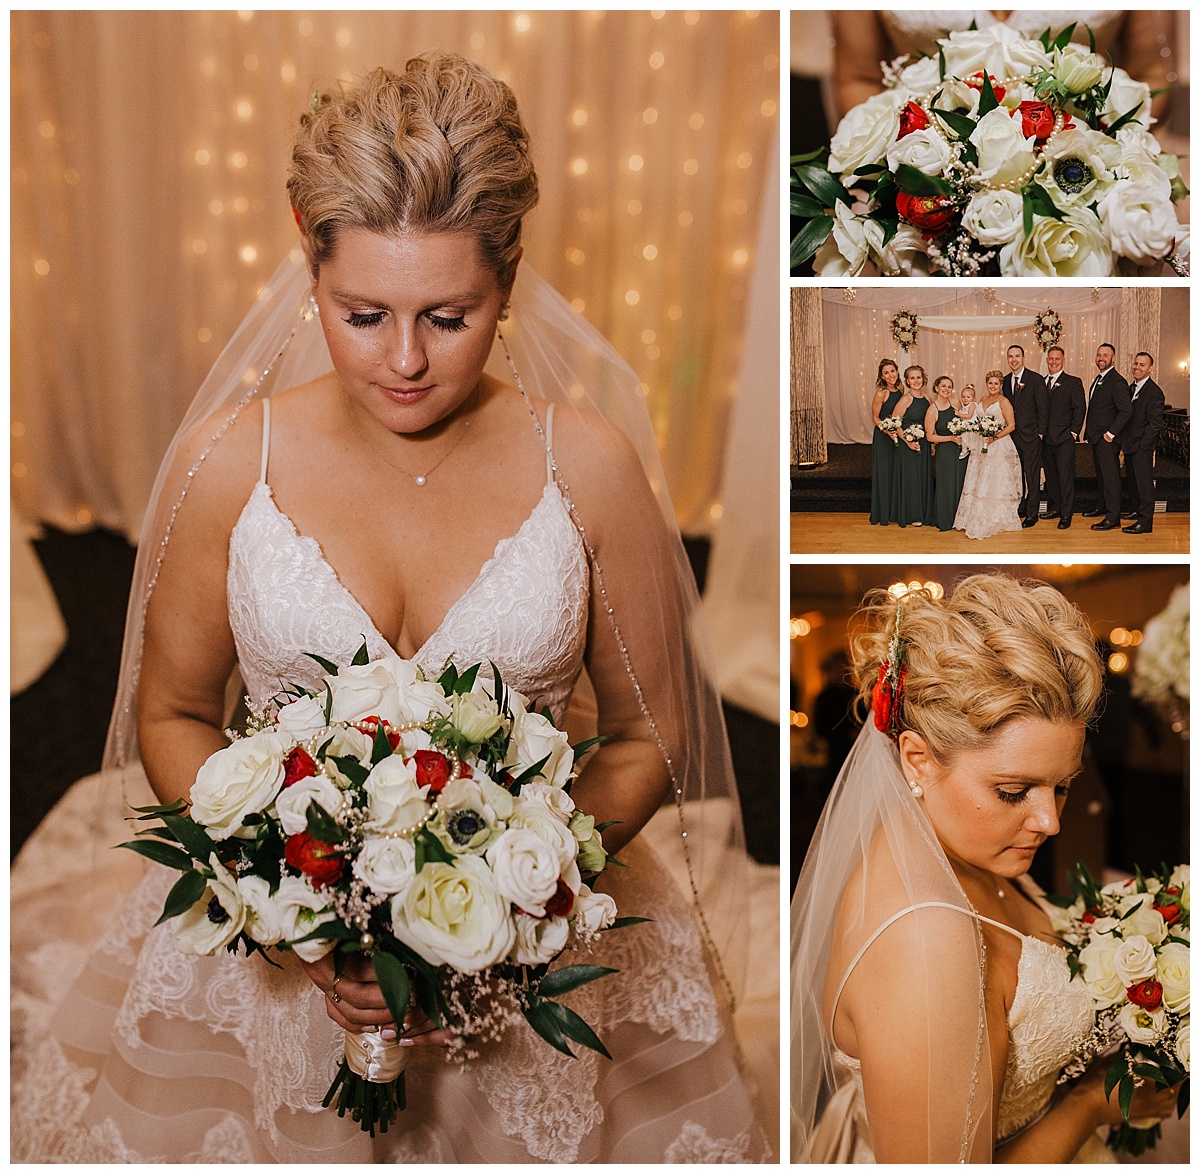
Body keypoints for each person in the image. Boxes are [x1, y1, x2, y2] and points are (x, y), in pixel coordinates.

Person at [10, 56, 767, 1163]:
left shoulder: (589, 466)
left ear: (508, 279)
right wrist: (293, 912)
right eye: (361, 313)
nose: (405, 361)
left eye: (450, 316)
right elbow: (172, 713)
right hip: (276, 945)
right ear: (302, 247)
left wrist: (514, 908)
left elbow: (654, 733)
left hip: (530, 960)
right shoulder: (231, 461)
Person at [790, 574, 1182, 1162]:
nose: (1048, 822)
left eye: (1062, 786)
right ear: (918, 759)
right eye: (1012, 791)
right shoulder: (924, 939)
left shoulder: (962, 849)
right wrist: (1090, 1105)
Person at [953, 371, 1022, 540]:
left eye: (996, 384)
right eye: (990, 383)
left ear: (1000, 385)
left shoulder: (1004, 402)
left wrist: (994, 437)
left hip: (998, 445)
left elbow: (1011, 425)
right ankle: (972, 516)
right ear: (986, 384)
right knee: (979, 479)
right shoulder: (983, 399)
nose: (993, 386)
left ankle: (994, 517)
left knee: (994, 481)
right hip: (981, 444)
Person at [1082, 343, 1132, 531]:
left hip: (1107, 439)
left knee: (1111, 478)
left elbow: (1126, 411)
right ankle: (1102, 506)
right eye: (1098, 354)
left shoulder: (1117, 381)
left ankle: (1113, 517)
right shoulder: (1100, 378)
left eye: (1105, 355)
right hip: (1096, 437)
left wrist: (1110, 434)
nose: (1101, 358)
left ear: (1113, 358)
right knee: (1102, 476)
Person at [1001, 344, 1048, 529]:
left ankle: (1032, 513)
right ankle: (1020, 506)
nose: (1014, 360)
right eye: (1010, 356)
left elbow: (1043, 408)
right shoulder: (1004, 381)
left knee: (1032, 476)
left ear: (1024, 358)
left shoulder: (1035, 379)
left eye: (1017, 356)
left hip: (1031, 437)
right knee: (1016, 475)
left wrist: (1040, 433)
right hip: (1011, 437)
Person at [1040, 346, 1086, 530]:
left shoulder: (1073, 382)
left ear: (1063, 360)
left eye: (1057, 359)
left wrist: (1073, 433)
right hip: (1046, 438)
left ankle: (1066, 514)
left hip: (1065, 438)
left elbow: (1080, 409)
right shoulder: (1041, 382)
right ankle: (1055, 507)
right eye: (1050, 358)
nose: (1053, 362)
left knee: (1066, 477)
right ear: (1046, 360)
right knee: (1051, 476)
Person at [1120, 351, 1165, 534]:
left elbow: (1155, 423)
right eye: (1136, 363)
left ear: (1150, 369)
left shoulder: (1154, 392)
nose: (1137, 367)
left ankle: (1145, 522)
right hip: (1129, 444)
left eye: (1142, 365)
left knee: (1145, 485)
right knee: (1133, 482)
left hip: (1141, 447)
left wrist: (1143, 445)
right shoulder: (1132, 388)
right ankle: (1136, 510)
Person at [891, 365, 934, 528]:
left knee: (922, 477)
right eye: (912, 378)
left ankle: (923, 512)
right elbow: (895, 423)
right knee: (911, 479)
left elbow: (930, 422)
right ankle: (912, 514)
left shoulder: (928, 398)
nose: (916, 381)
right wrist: (907, 441)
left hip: (923, 442)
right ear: (907, 381)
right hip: (907, 444)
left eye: (918, 377)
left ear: (923, 379)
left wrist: (932, 443)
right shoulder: (906, 399)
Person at [924, 374, 966, 532]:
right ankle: (945, 518)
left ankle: (960, 518)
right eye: (943, 386)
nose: (947, 389)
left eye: (949, 386)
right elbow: (929, 436)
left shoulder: (955, 402)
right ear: (936, 388)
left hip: (960, 449)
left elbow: (963, 422)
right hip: (945, 451)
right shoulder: (931, 410)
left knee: (960, 482)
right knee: (947, 485)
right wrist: (950, 438)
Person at [869, 358, 903, 526]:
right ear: (882, 376)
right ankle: (883, 513)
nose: (891, 375)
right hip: (884, 437)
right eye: (886, 373)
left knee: (896, 473)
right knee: (884, 473)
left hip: (898, 435)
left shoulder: (902, 389)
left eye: (893, 371)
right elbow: (875, 417)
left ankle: (895, 511)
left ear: (897, 371)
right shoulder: (881, 393)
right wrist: (886, 429)